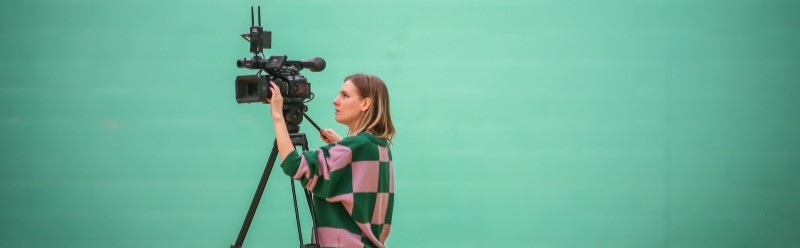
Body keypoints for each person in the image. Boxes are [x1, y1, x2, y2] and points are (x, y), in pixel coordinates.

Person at [266, 74, 395, 248]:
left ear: (365, 103)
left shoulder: (353, 148)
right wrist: (340, 145)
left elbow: (294, 165)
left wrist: (277, 117)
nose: (335, 101)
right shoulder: (380, 147)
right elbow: (358, 181)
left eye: (345, 95)